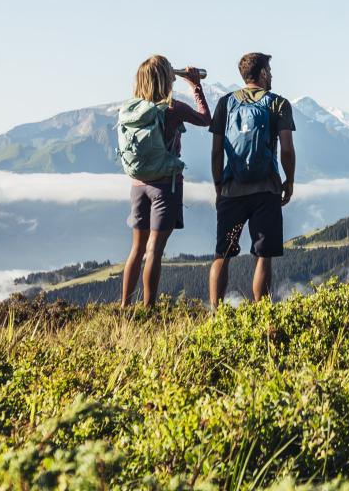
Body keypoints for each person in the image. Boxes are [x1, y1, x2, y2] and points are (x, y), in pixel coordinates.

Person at [116, 55, 211, 307]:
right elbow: (205, 119)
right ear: (165, 79)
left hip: (138, 186)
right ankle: (148, 308)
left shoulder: (131, 111)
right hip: (165, 186)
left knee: (136, 250)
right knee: (154, 251)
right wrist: (195, 86)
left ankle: (125, 306)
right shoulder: (173, 109)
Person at [209, 51, 296, 308]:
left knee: (222, 254)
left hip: (231, 190)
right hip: (265, 190)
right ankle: (261, 313)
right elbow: (288, 149)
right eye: (269, 70)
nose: (272, 75)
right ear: (262, 73)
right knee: (263, 256)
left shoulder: (225, 103)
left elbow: (216, 151)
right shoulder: (278, 104)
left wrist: (218, 186)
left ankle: (215, 313)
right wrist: (289, 181)